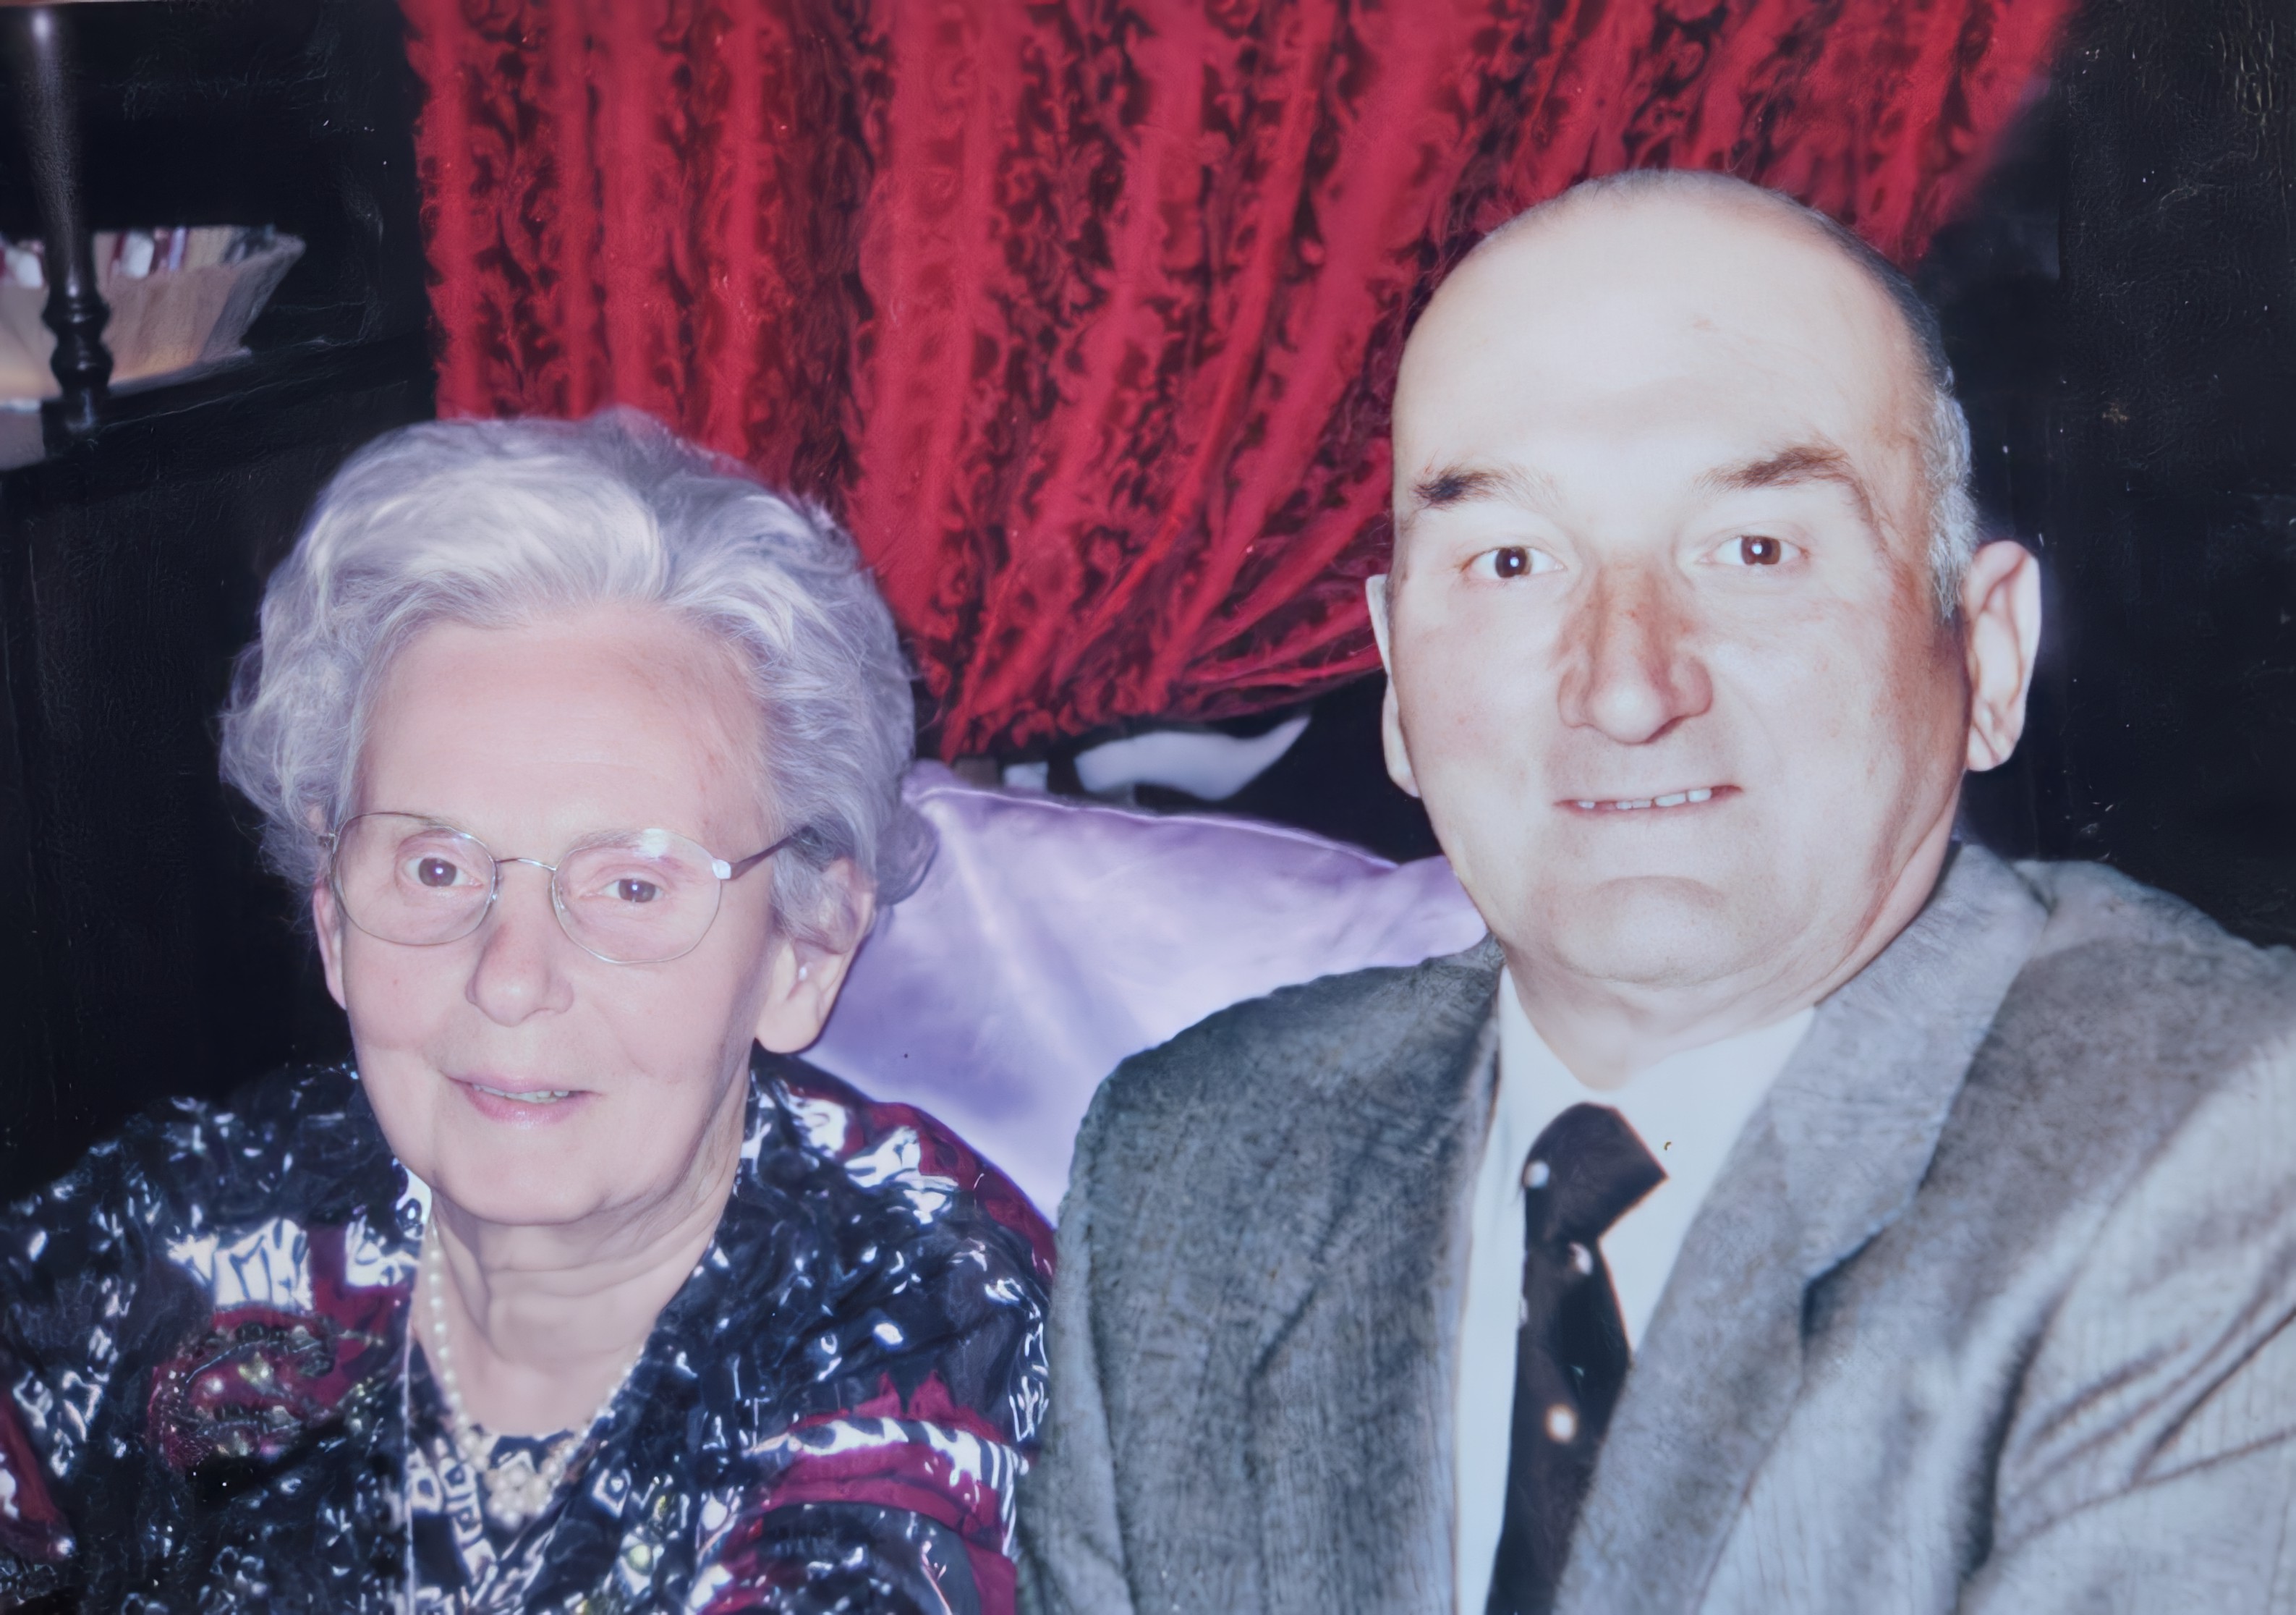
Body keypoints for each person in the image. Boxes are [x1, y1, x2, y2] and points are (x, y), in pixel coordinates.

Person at [1017, 170, 2296, 1614]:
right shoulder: (1194, 1160)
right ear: (1395, 684)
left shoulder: (2225, 1150)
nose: (1625, 685)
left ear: (1986, 653)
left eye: (1754, 552)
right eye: (1510, 560)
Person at [0, 412, 1050, 1612]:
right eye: (437, 867)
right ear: (333, 913)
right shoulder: (210, 1202)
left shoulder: (926, 1322)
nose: (508, 978)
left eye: (631, 886)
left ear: (803, 950)